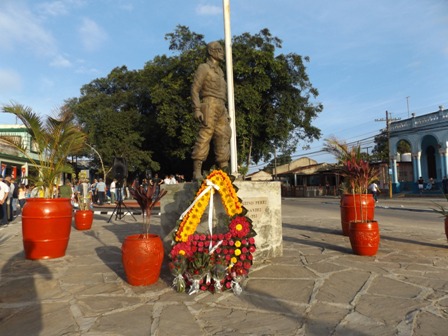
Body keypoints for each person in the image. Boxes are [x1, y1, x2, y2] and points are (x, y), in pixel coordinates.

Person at [191, 41, 232, 179]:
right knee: (205, 135)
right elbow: (195, 89)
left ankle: (224, 170)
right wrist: (197, 109)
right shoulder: (203, 68)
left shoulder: (220, 72)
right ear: (211, 51)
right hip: (209, 103)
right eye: (219, 50)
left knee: (224, 135)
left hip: (221, 106)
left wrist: (225, 112)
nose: (222, 52)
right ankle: (197, 171)